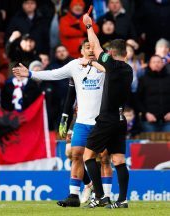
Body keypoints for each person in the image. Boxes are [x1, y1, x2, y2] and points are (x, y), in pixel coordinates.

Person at [12, 39, 112, 207]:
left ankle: (106, 196)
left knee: (104, 158)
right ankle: (74, 195)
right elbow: (53, 74)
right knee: (76, 155)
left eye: (93, 47)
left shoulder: (105, 66)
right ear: (81, 51)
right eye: (87, 47)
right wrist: (30, 74)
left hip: (101, 122)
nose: (91, 50)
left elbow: (114, 74)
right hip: (81, 122)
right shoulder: (74, 66)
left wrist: (96, 63)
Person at [81, 13, 133, 209]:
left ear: (110, 54)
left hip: (107, 118)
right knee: (118, 159)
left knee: (88, 156)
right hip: (121, 119)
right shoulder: (128, 69)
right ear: (126, 55)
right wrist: (95, 62)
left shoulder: (111, 64)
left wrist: (89, 26)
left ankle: (101, 196)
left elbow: (95, 46)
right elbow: (100, 56)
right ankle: (122, 200)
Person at [137, 55, 170, 132]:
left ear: (163, 64)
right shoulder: (143, 79)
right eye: (154, 62)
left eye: (158, 62)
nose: (156, 64)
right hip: (149, 122)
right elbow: (137, 99)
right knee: (150, 144)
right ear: (149, 64)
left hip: (168, 122)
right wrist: (146, 113)